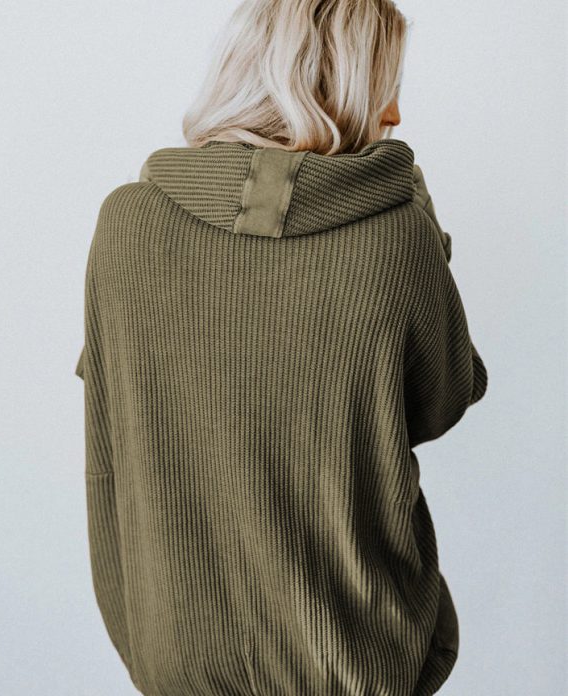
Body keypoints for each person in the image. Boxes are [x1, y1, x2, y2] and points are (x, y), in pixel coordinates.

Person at [75, 1, 488, 694]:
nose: (394, 114)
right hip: (352, 652)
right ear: (337, 86)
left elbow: (112, 433)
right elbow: (442, 403)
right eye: (384, 84)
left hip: (175, 652)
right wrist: (414, 208)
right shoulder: (397, 234)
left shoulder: (126, 223)